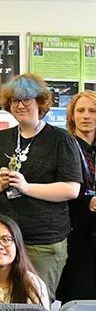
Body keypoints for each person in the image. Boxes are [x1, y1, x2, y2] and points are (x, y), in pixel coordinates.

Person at [0, 73, 82, 303]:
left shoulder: (60, 139)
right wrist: (0, 184)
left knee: (36, 303)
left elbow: (71, 189)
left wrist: (26, 187)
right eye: (14, 100)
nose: (19, 105)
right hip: (2, 240)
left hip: (43, 241)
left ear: (40, 102)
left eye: (26, 99)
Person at [56, 90, 96, 303]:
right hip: (75, 235)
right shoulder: (63, 146)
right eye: (81, 111)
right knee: (78, 299)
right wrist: (87, 203)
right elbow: (58, 190)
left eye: (92, 111)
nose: (86, 116)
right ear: (72, 116)